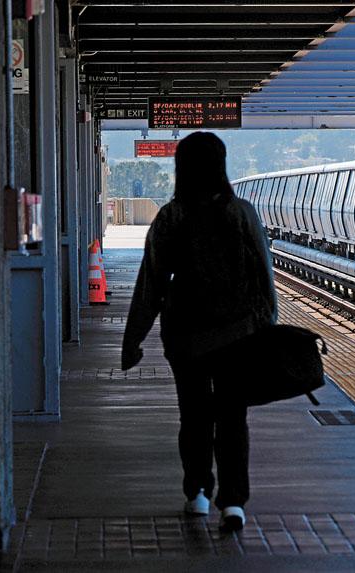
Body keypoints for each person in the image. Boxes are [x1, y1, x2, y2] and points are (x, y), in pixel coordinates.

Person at [121, 132, 277, 532]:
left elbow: (151, 281)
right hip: (238, 335)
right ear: (221, 166)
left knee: (193, 417)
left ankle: (197, 495)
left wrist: (133, 338)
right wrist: (268, 327)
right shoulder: (241, 212)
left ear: (182, 168)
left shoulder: (172, 216)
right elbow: (264, 274)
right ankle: (234, 503)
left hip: (185, 338)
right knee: (232, 418)